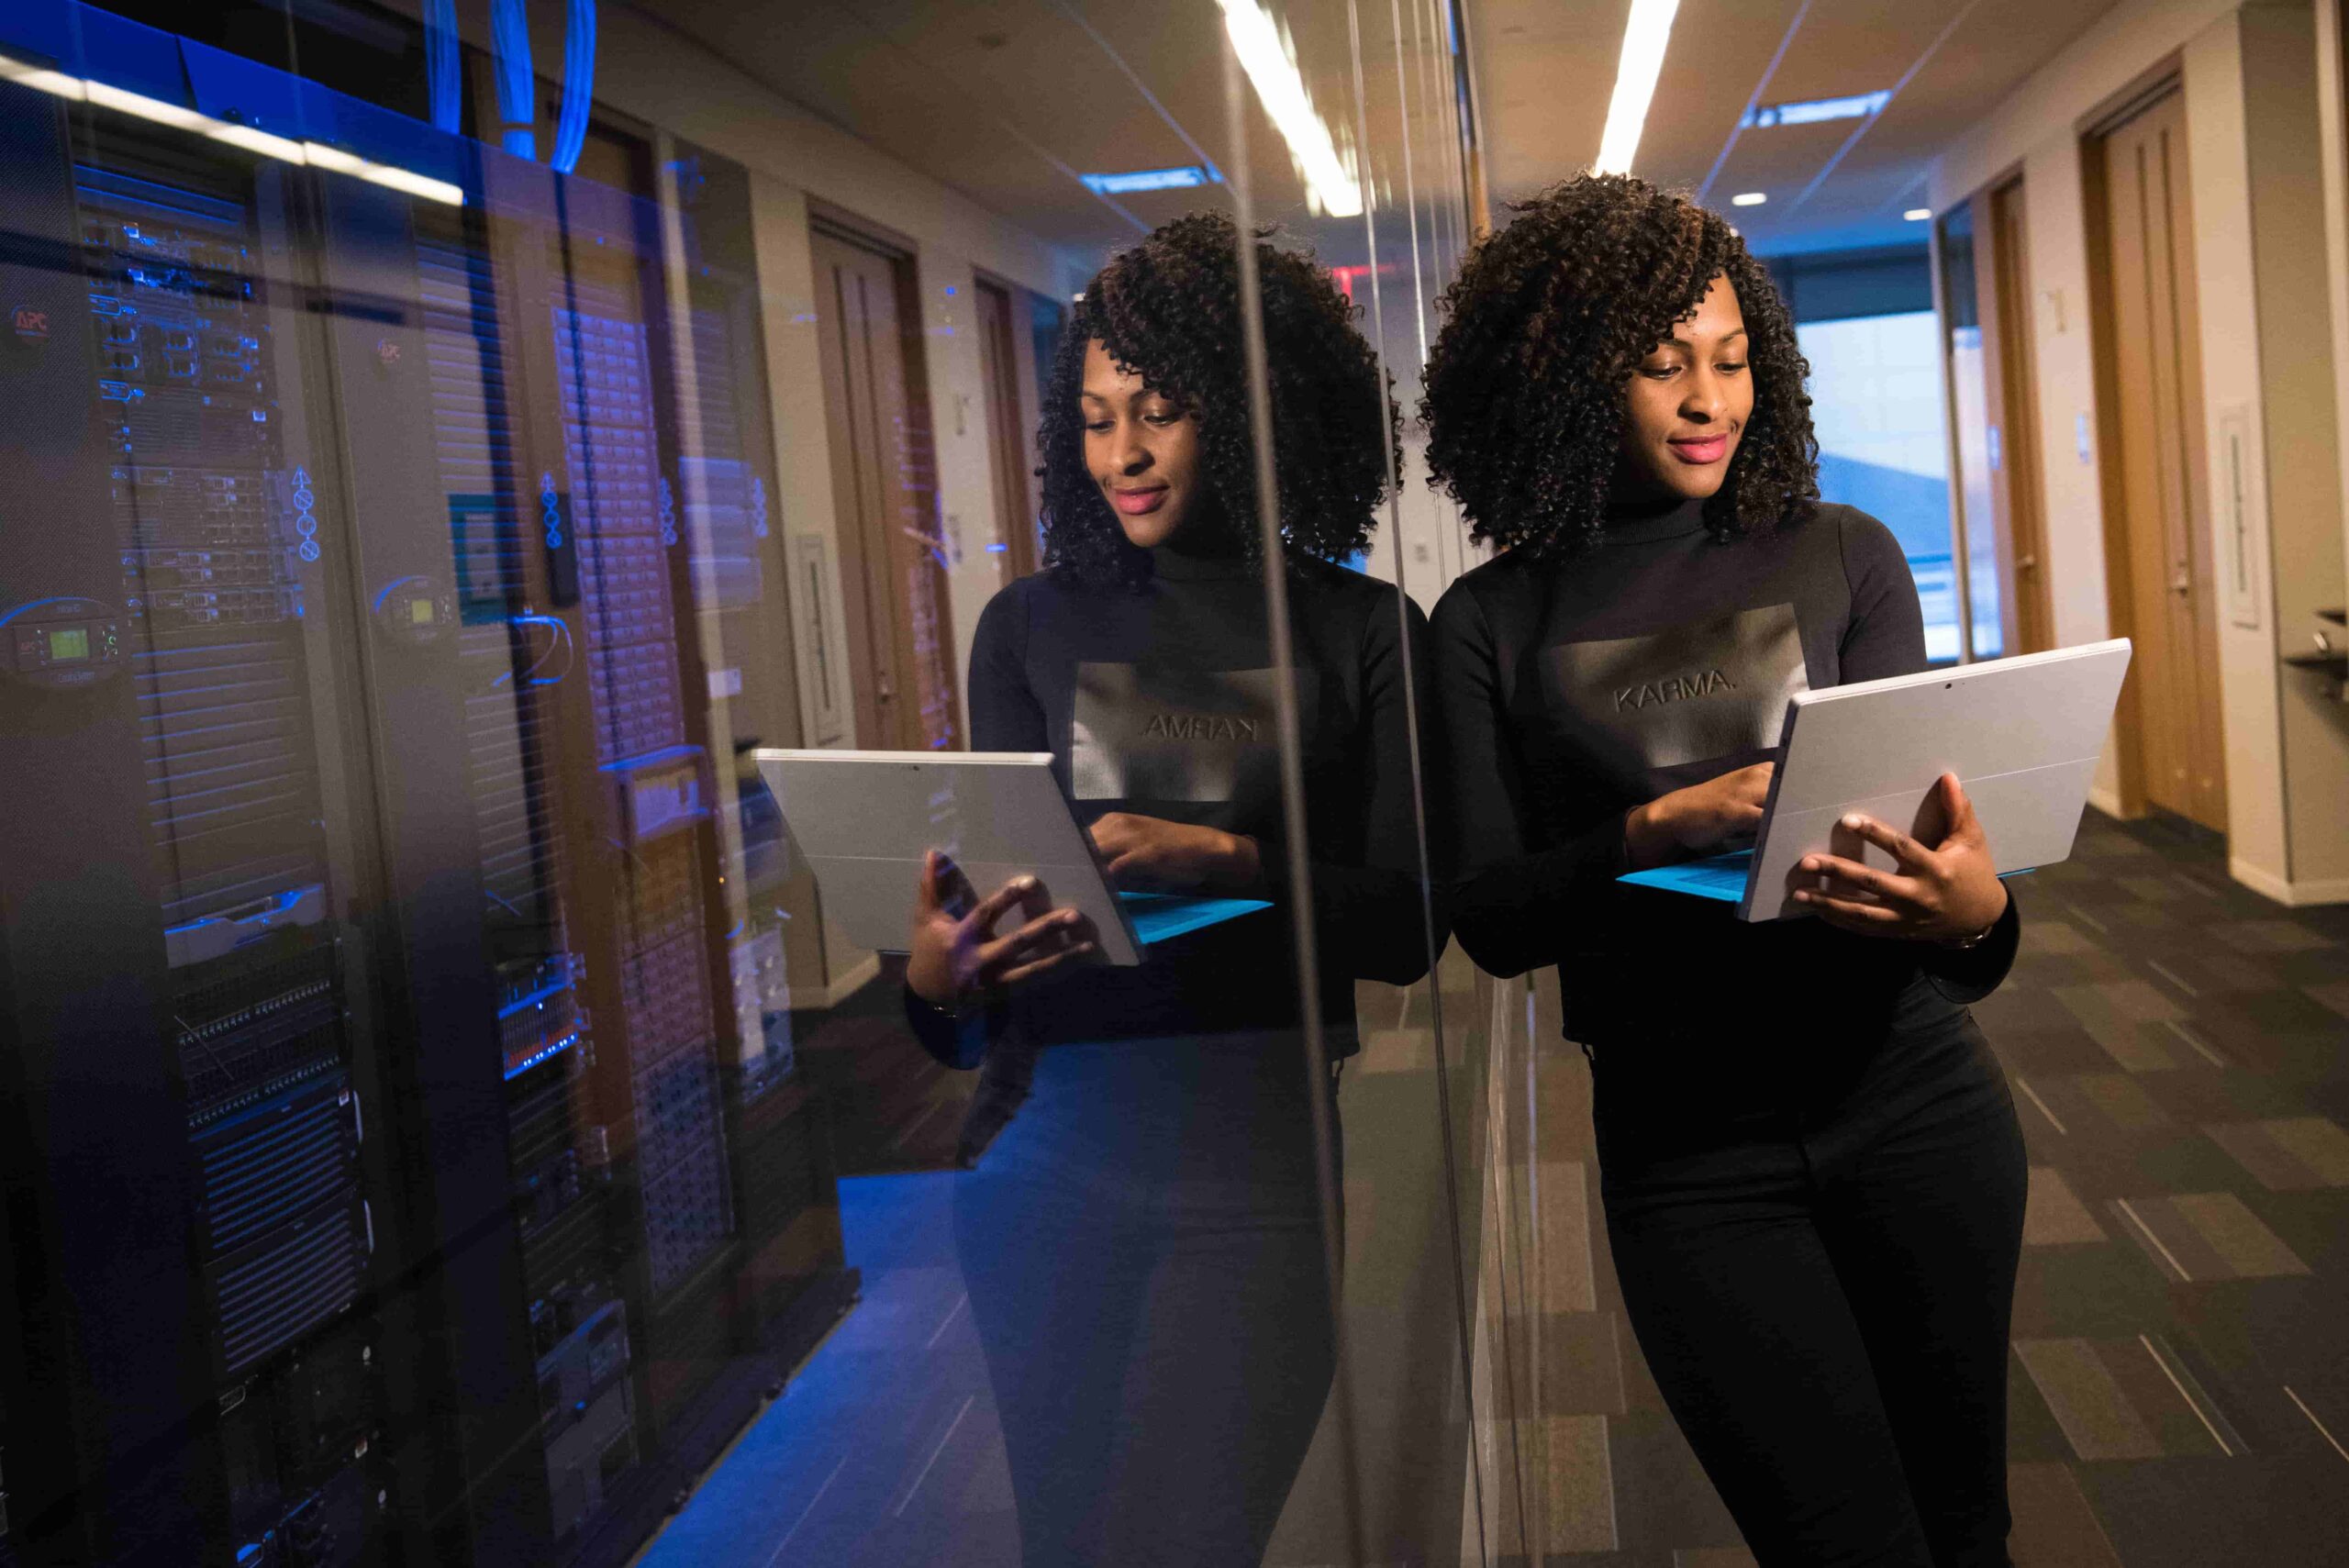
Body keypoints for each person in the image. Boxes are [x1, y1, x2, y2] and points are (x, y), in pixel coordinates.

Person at [1422, 172, 2026, 1568]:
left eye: (1733, 357)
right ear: (1569, 381)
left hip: (1916, 1100)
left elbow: (1941, 878)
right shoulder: (1489, 621)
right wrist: (1650, 833)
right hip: (1692, 1157)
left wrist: (1981, 916)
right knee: (1841, 1543)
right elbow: (1491, 918)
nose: (1710, 397)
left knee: (1967, 1527)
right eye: (1661, 364)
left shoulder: (1845, 555)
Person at [899, 211, 1437, 1566]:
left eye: (1157, 412)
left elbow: (1412, 922)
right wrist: (934, 979)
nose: (1123, 453)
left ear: (1254, 412)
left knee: (1191, 1539)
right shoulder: (1028, 626)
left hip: (1253, 1168)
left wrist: (1233, 860)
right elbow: (984, 966)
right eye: (1093, 419)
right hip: (1040, 1153)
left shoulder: (1363, 633)